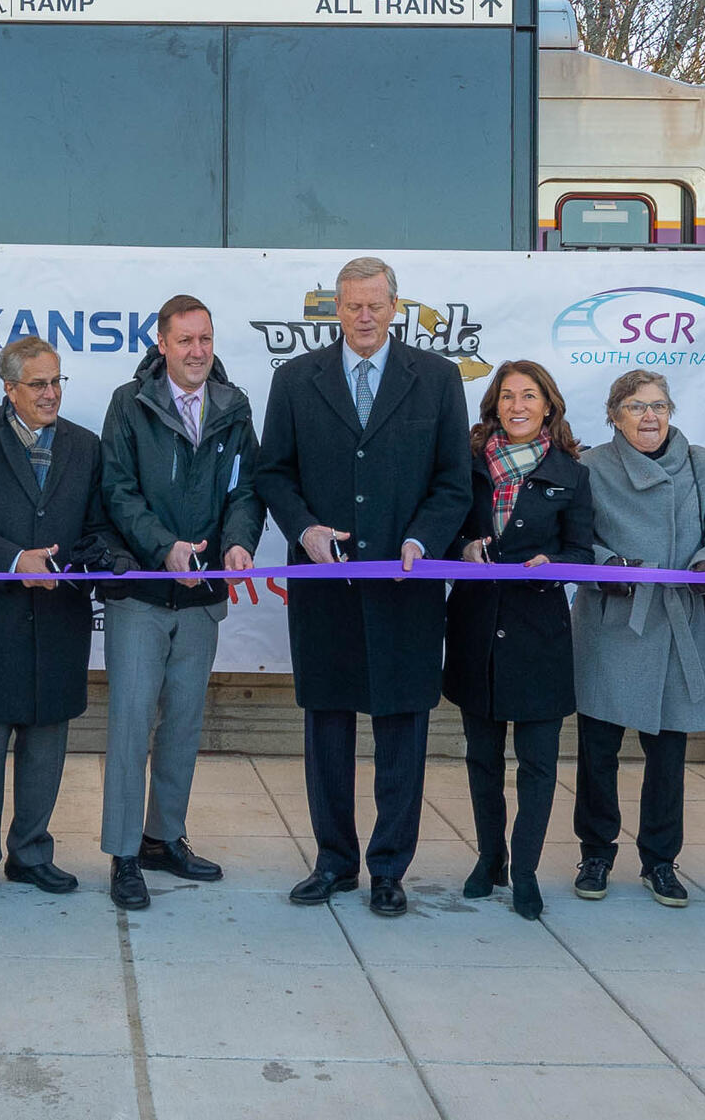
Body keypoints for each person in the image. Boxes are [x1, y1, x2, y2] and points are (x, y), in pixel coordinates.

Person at [255, 256, 471, 917]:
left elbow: (453, 482)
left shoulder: (435, 379)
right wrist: (304, 530)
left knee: (403, 731)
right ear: (335, 309)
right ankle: (333, 861)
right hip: (325, 589)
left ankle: (388, 868)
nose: (365, 314)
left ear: (395, 305)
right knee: (327, 729)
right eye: (352, 304)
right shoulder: (295, 379)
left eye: (376, 303)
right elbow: (273, 472)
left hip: (405, 589)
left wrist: (421, 540)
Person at [0, 335, 126, 907]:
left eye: (57, 381)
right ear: (9, 388)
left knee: (47, 745)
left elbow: (97, 528)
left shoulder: (86, 445)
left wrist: (98, 562)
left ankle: (31, 853)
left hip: (59, 617)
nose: (51, 394)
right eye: (39, 384)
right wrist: (16, 561)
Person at [95, 297, 262, 912]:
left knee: (183, 726)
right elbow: (117, 489)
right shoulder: (129, 403)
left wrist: (239, 542)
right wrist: (164, 548)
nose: (197, 351)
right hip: (142, 590)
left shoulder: (234, 405)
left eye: (206, 339)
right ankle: (123, 853)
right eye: (185, 340)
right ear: (161, 343)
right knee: (131, 724)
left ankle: (164, 837)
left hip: (203, 596)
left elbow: (248, 486)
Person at [572, 370, 705, 909]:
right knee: (597, 751)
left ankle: (660, 861)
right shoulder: (591, 466)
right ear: (614, 415)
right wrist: (612, 567)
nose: (650, 417)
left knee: (668, 755)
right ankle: (596, 853)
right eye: (636, 407)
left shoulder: (702, 464)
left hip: (675, 623)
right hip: (611, 621)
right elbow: (575, 541)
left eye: (659, 406)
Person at [446, 360, 592, 921]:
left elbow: (583, 550)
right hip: (477, 629)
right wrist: (463, 548)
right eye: (507, 396)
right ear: (495, 406)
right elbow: (448, 528)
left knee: (537, 764)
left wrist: (553, 562)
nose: (518, 406)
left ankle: (526, 870)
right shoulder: (468, 464)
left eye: (529, 396)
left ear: (549, 406)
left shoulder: (572, 474)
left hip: (539, 636)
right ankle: (490, 859)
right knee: (482, 758)